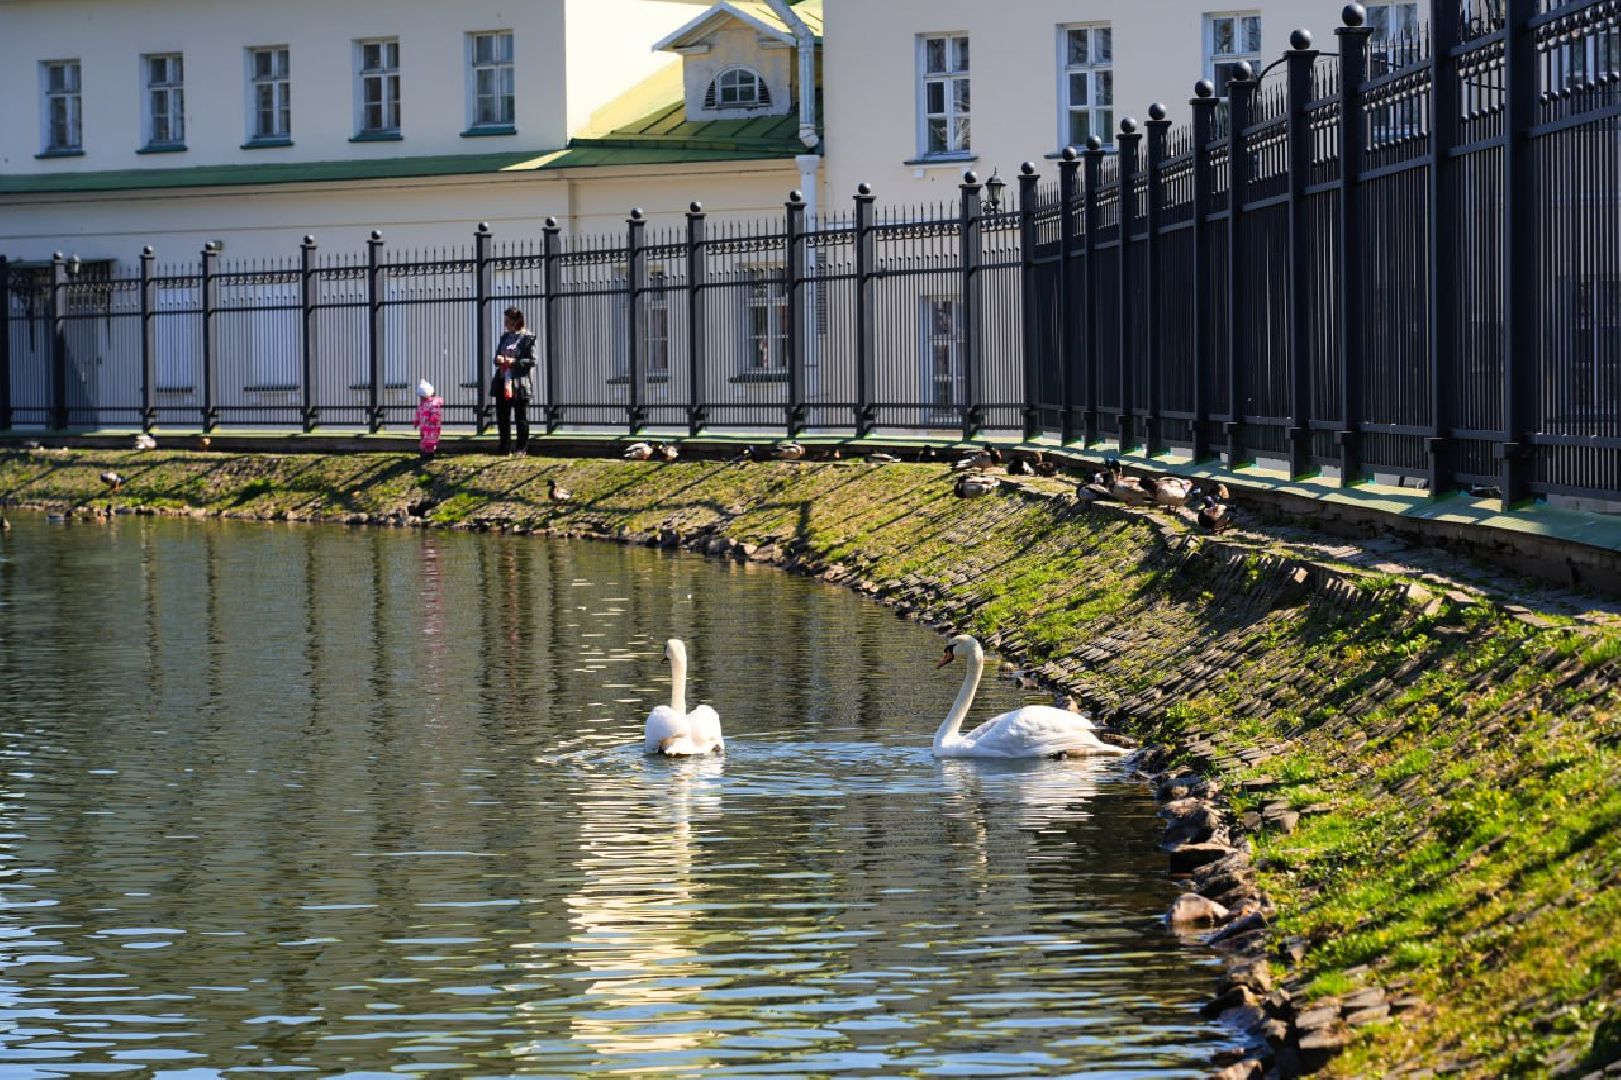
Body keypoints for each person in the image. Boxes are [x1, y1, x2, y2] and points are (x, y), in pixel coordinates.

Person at [493, 306, 537, 455]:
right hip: (503, 380)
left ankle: (521, 448)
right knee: (502, 416)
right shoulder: (504, 337)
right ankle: (504, 447)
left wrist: (513, 362)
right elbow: (498, 355)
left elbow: (531, 361)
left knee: (521, 417)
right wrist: (498, 359)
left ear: (516, 321)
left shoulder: (528, 338)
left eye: (508, 320)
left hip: (520, 383)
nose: (505, 323)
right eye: (505, 320)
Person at [415, 380, 444, 458]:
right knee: (424, 439)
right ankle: (424, 453)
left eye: (421, 396)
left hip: (431, 426)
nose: (420, 398)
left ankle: (429, 454)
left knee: (430, 441)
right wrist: (417, 421)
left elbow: (435, 413)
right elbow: (419, 412)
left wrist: (433, 419)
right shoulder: (422, 404)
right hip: (424, 426)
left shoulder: (433, 403)